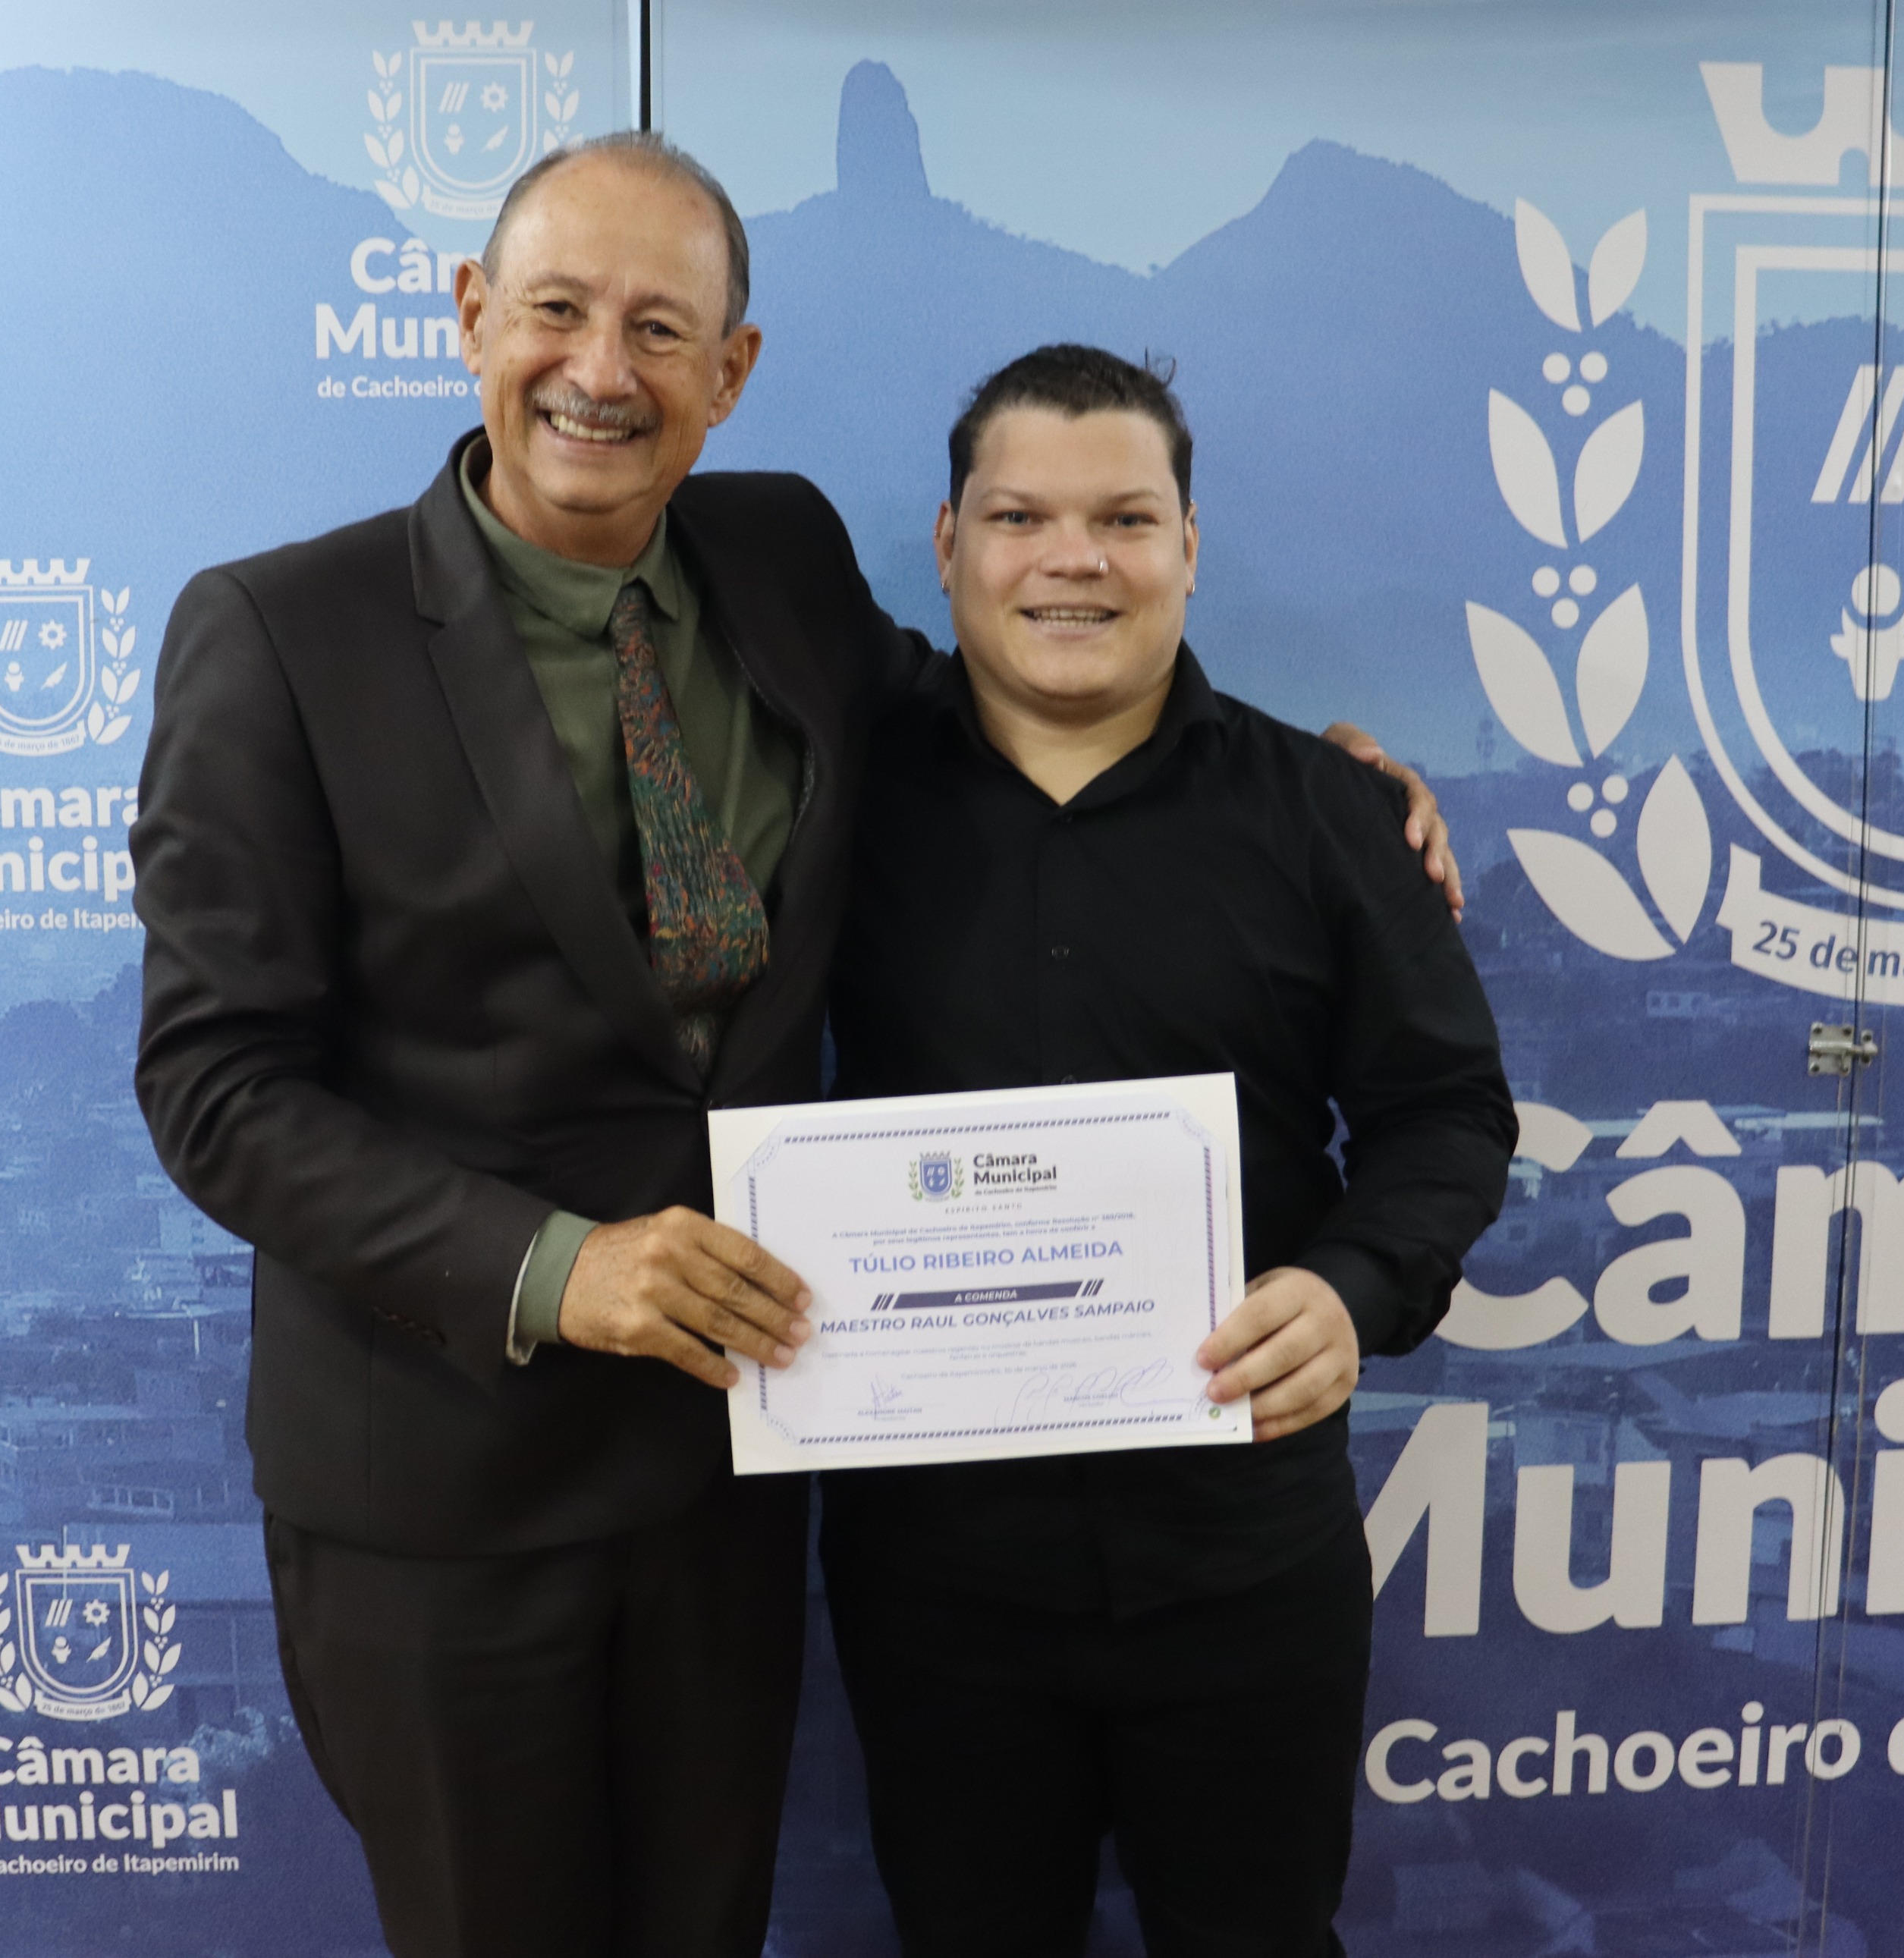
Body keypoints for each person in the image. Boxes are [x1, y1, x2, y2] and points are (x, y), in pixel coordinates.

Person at [133, 130, 1456, 1958]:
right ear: (470, 316)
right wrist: (558, 1269)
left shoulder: (779, 555)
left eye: (660, 329)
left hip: (729, 1472)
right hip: (446, 1484)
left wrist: (1324, 792)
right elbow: (214, 1086)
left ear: (731, 372)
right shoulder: (280, 634)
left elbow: (999, 710)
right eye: (558, 311)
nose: (602, 371)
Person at [817, 344, 1516, 1958]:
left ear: (1189, 547)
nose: (1072, 559)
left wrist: (1351, 1289)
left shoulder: (1329, 814)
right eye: (1021, 517)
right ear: (949, 546)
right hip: (935, 1575)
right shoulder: (826, 799)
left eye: (1125, 519)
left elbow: (1446, 1112)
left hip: (1242, 1558)